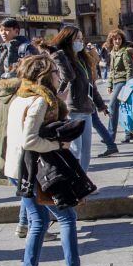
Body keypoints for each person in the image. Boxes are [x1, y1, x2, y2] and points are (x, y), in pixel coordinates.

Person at [3, 55, 101, 266]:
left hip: (18, 169)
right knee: (67, 216)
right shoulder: (39, 101)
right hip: (34, 170)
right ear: (45, 76)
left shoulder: (20, 97)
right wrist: (58, 144)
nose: (60, 77)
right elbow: (30, 140)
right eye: (56, 73)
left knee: (39, 222)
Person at [48, 26, 105, 171]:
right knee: (75, 149)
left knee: (86, 150)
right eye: (77, 39)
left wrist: (100, 104)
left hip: (86, 109)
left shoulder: (83, 58)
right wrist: (58, 54)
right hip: (71, 109)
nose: (80, 42)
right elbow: (68, 76)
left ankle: (84, 180)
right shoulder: (62, 58)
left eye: (81, 38)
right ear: (67, 40)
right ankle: (74, 182)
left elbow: (90, 84)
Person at [106, 29, 133, 144]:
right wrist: (109, 84)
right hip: (116, 82)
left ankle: (110, 136)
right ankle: (130, 134)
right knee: (124, 108)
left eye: (119, 39)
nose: (117, 41)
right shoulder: (113, 52)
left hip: (123, 81)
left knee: (112, 106)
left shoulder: (125, 51)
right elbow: (112, 70)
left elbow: (130, 69)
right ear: (111, 40)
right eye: (115, 39)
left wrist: (128, 85)